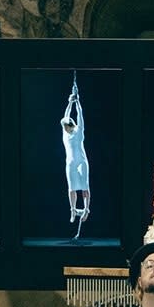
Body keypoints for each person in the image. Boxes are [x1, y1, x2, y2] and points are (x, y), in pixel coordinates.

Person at [62, 84, 90, 223]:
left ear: (70, 125)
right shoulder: (65, 134)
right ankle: (73, 210)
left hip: (81, 162)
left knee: (85, 187)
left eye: (66, 126)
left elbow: (80, 115)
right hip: (70, 162)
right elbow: (66, 115)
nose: (64, 128)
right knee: (71, 188)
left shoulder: (79, 130)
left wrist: (77, 101)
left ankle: (86, 209)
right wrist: (70, 102)